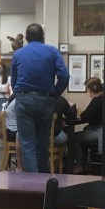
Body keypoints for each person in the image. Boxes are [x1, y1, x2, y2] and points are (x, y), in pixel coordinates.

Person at [10, 23, 69, 173]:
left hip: (24, 100)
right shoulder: (52, 51)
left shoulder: (18, 54)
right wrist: (55, 93)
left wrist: (20, 94)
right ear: (42, 37)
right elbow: (64, 76)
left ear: (26, 38)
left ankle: (32, 181)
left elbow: (14, 82)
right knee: (43, 143)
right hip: (45, 100)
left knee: (27, 144)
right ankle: (43, 179)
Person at [70, 76, 104, 173]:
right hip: (102, 130)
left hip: (99, 131)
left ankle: (79, 165)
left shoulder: (97, 100)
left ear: (90, 90)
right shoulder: (104, 97)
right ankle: (85, 163)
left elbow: (85, 116)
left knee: (73, 138)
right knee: (85, 129)